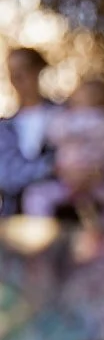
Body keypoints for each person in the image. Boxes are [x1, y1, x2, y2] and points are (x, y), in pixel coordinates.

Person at [20, 77, 104, 223]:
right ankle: (42, 231)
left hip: (94, 182)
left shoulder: (96, 121)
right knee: (37, 196)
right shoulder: (68, 119)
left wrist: (96, 171)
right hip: (67, 181)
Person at [0, 46, 58, 214]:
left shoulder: (64, 117)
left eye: (23, 70)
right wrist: (52, 168)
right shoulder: (5, 128)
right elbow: (6, 176)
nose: (18, 78)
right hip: (15, 221)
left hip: (65, 218)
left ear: (38, 70)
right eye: (12, 73)